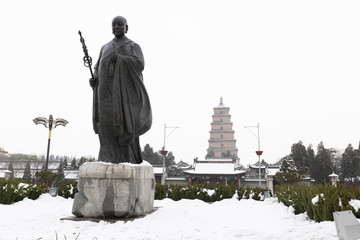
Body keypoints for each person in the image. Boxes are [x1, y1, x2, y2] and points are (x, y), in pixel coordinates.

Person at [89, 16, 152, 164]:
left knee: (123, 126)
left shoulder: (133, 46)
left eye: (119, 25)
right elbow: (98, 68)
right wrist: (95, 80)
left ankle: (125, 159)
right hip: (103, 94)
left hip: (123, 96)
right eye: (113, 25)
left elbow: (140, 64)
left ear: (126, 28)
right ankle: (106, 159)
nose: (116, 27)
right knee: (105, 127)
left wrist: (121, 58)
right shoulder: (105, 47)